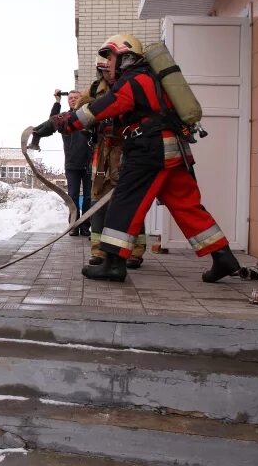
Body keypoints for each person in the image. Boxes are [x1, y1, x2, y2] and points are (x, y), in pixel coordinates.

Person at [38, 34, 241, 283]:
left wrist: (60, 122)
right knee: (186, 204)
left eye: (110, 57)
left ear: (125, 57)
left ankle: (113, 263)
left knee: (125, 201)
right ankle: (223, 256)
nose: (107, 64)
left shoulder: (135, 80)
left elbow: (99, 109)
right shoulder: (151, 79)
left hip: (149, 150)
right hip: (171, 150)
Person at [81, 54, 147, 268]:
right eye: (104, 71)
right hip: (102, 153)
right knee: (98, 200)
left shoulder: (129, 86)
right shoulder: (93, 91)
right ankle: (98, 251)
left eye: (110, 70)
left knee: (129, 201)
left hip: (126, 150)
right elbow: (80, 114)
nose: (108, 74)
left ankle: (135, 251)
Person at [50, 87, 93, 236]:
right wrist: (57, 102)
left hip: (89, 164)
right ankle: (74, 225)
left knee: (89, 196)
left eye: (76, 97)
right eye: (70, 98)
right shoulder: (65, 118)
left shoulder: (88, 115)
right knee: (72, 196)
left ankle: (86, 225)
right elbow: (52, 120)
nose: (73, 99)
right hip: (72, 164)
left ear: (81, 99)